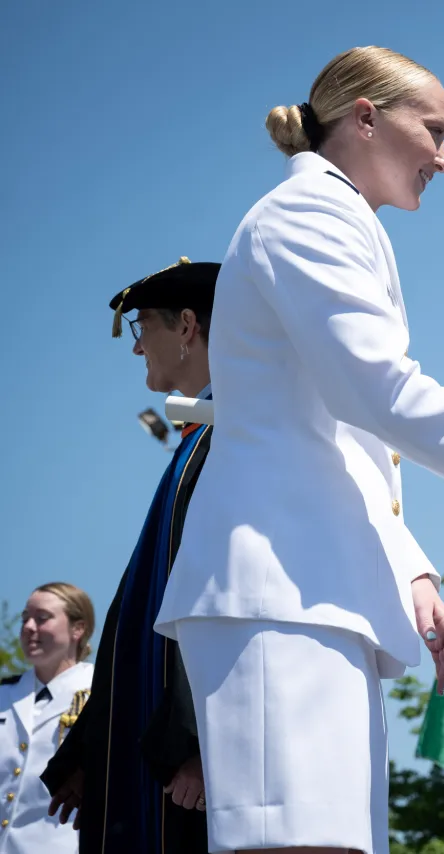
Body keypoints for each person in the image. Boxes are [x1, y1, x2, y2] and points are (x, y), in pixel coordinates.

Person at [153, 46, 444, 854]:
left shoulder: (338, 218)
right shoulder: (310, 214)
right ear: (366, 118)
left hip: (312, 589)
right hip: (274, 590)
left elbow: (340, 434)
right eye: (433, 130)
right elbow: (374, 387)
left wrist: (407, 566)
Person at [42, 258, 217, 853]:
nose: (138, 347)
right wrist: (91, 746)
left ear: (188, 326)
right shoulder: (195, 441)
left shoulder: (233, 440)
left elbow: (218, 592)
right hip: (144, 746)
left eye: (144, 328)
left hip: (185, 764)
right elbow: (139, 611)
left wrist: (196, 741)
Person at [0, 583, 94, 854]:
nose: (29, 627)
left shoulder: (102, 694)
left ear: (78, 629)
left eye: (42, 618)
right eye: (25, 618)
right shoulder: (5, 694)